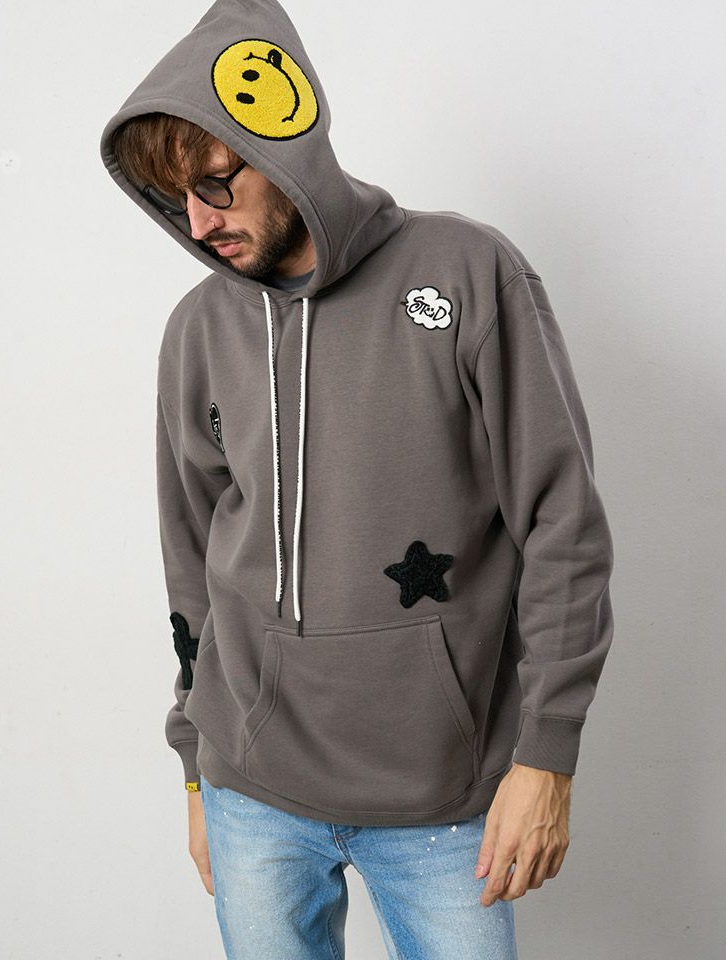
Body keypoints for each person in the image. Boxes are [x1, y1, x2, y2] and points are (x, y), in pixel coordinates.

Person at [99, 0, 615, 956]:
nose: (201, 223)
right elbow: (189, 555)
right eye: (177, 202)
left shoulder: (466, 271)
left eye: (216, 183)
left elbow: (563, 522)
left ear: (285, 141)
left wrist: (547, 754)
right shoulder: (199, 331)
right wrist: (195, 765)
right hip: (251, 793)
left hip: (442, 798)